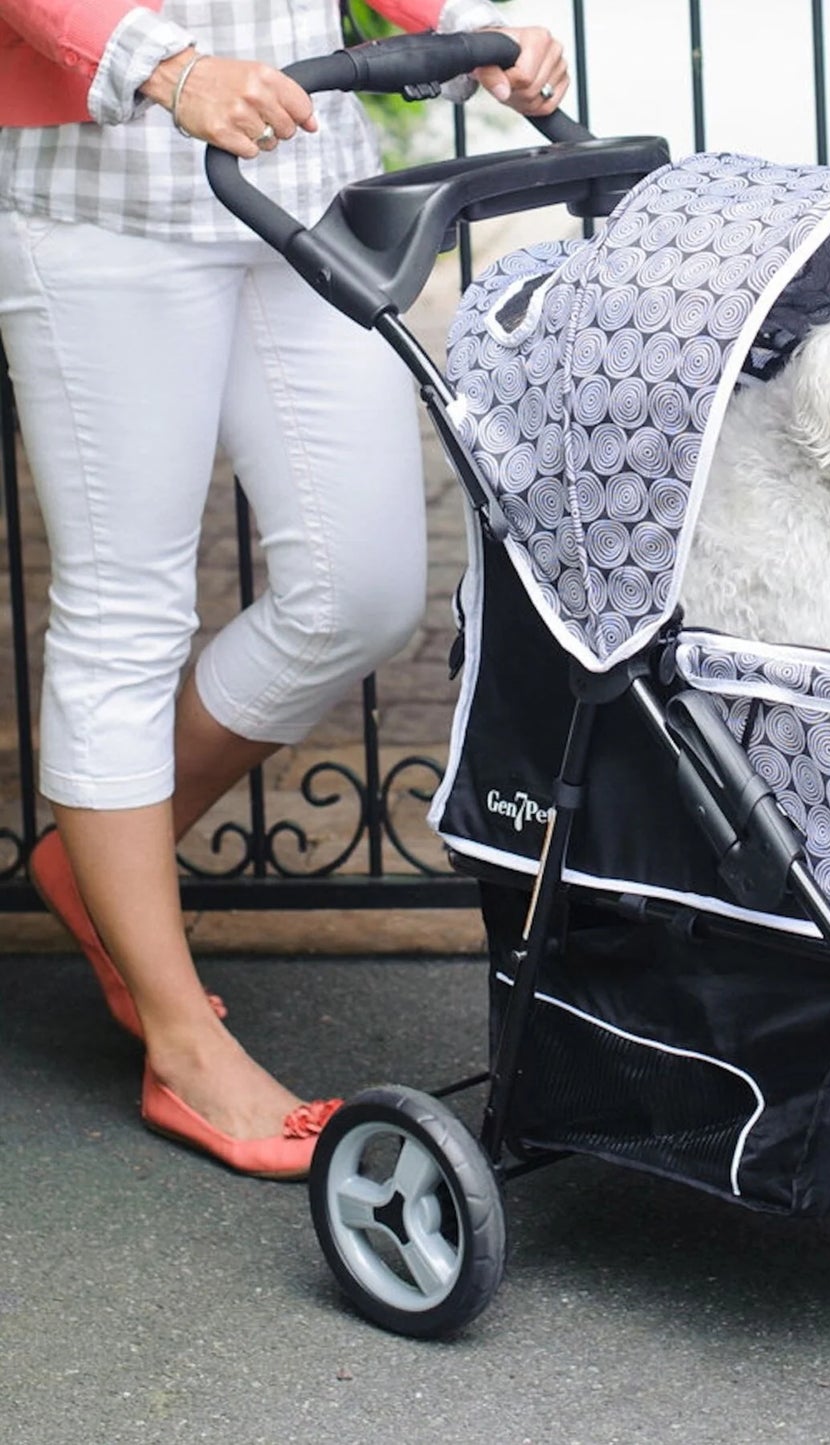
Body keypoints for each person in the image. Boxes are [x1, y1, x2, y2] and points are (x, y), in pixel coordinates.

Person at [0, 0, 569, 1179]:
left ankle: (102, 860)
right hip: (104, 199)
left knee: (361, 588)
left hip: (301, 179)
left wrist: (465, 29)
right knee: (125, 612)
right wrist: (170, 69)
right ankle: (179, 1047)